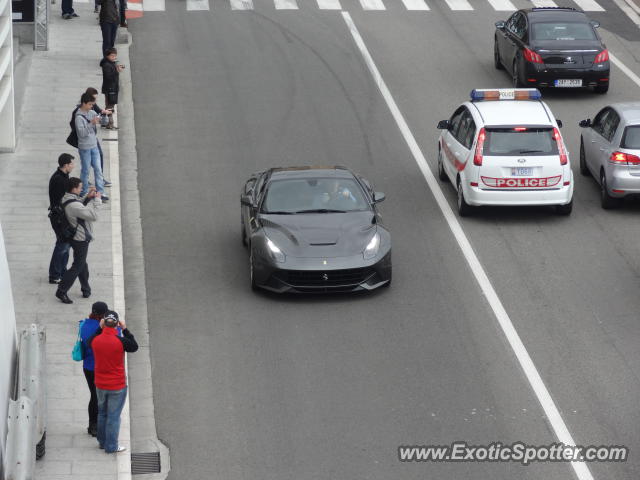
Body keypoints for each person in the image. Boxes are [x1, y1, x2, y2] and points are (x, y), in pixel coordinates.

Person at [88, 311, 138, 453]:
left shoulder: (95, 340)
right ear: (116, 324)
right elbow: (134, 346)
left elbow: (89, 341)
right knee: (113, 417)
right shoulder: (120, 341)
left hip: (100, 384)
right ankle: (111, 446)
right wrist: (125, 329)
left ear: (103, 323)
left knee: (102, 413)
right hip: (117, 385)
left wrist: (100, 328)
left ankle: (102, 442)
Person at [55, 177, 102, 304]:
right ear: (74, 188)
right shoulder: (74, 205)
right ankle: (62, 291)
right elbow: (93, 216)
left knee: (82, 263)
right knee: (77, 266)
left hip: (74, 237)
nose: (82, 189)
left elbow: (78, 204)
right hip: (80, 238)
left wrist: (87, 197)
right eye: (80, 187)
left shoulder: (67, 197)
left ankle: (86, 289)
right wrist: (97, 199)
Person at [79, 301, 110, 437]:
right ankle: (98, 424)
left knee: (94, 395)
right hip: (101, 367)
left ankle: (92, 424)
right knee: (102, 396)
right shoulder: (107, 328)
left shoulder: (84, 324)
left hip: (88, 367)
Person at [48, 154, 75, 284]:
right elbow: (62, 202)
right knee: (62, 245)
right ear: (66, 165)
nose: (73, 166)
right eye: (71, 164)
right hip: (59, 218)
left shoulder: (63, 176)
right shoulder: (59, 180)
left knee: (65, 245)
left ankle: (61, 271)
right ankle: (54, 274)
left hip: (61, 217)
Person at [75, 93, 108, 200]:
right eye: (89, 104)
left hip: (94, 146)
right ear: (84, 103)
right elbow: (82, 134)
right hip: (85, 148)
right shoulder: (78, 117)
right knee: (86, 170)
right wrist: (91, 123)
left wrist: (103, 115)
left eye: (92, 105)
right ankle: (83, 191)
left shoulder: (91, 112)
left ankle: (101, 192)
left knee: (98, 169)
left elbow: (100, 119)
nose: (91, 107)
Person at [85, 87, 113, 186]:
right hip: (86, 137)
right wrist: (97, 118)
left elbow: (98, 110)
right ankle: (87, 180)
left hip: (92, 136)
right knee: (88, 159)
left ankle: (97, 179)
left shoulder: (92, 104)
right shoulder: (84, 109)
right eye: (94, 98)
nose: (95, 101)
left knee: (95, 157)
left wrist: (104, 112)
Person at [100, 48, 124, 130]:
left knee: (109, 106)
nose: (114, 57)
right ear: (107, 56)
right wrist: (117, 71)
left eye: (115, 56)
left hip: (111, 88)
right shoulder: (106, 65)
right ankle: (110, 124)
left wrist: (116, 68)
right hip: (110, 89)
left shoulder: (110, 63)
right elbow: (109, 77)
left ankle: (105, 122)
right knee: (110, 107)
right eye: (112, 56)